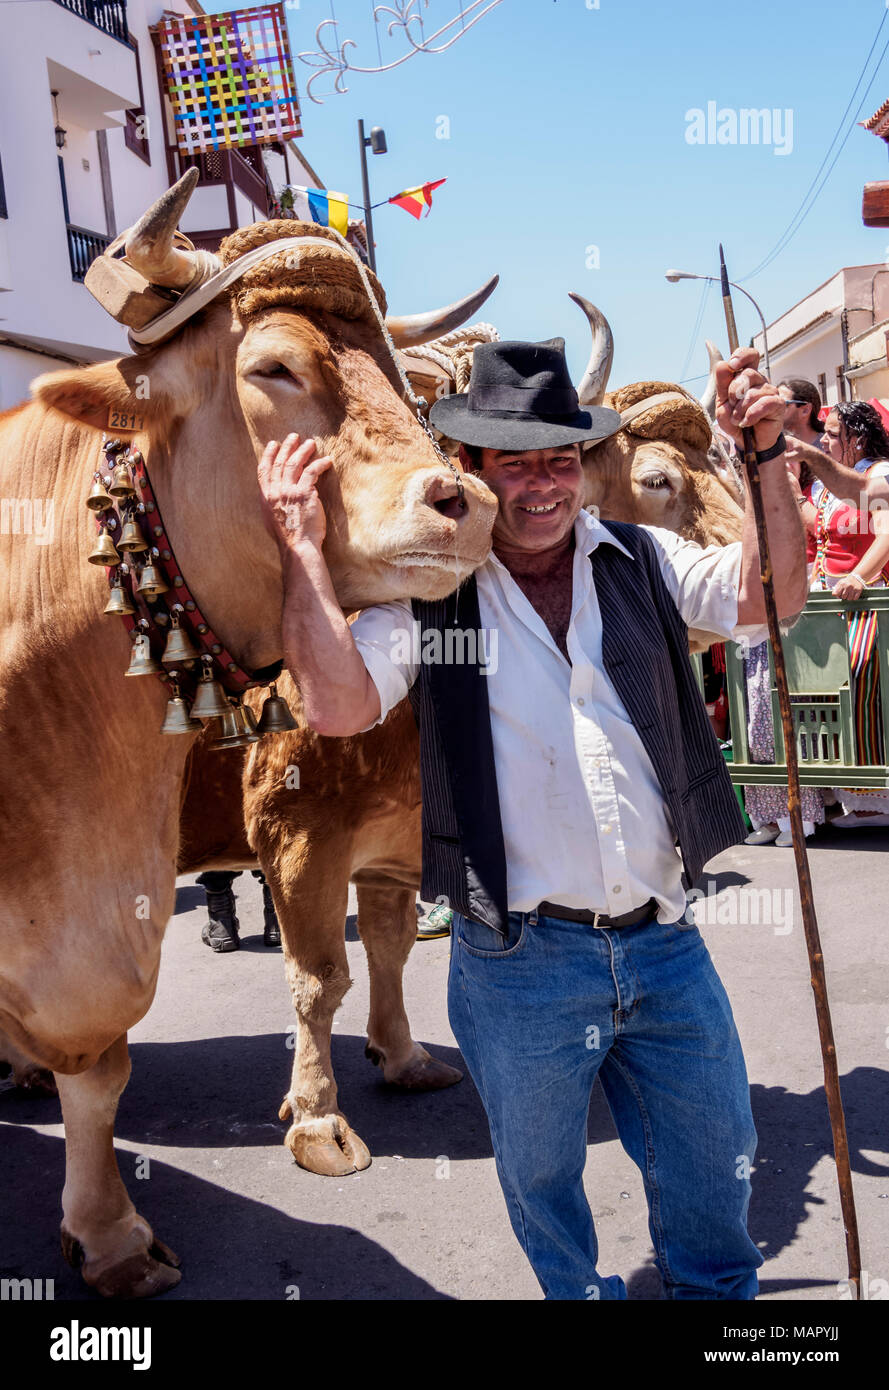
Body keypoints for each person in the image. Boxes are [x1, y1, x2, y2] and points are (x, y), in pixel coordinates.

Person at [256, 337, 807, 1300]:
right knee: (544, 1189)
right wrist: (302, 549)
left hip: (666, 945)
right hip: (519, 960)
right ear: (470, 471)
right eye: (517, 464)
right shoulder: (437, 597)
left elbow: (774, 597)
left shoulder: (640, 558)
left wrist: (763, 456)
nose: (544, 486)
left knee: (716, 1175)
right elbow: (339, 705)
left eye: (561, 459)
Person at [785, 400, 889, 824]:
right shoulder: (826, 485)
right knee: (822, 687)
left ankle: (872, 799)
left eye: (831, 433)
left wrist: (862, 578)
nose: (823, 440)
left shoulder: (878, 473)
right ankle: (841, 792)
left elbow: (886, 533)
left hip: (870, 600)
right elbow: (819, 531)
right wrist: (790, 489)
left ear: (857, 437)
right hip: (830, 602)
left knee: (860, 678)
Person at [742, 377, 827, 846]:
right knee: (754, 718)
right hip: (755, 613)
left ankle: (802, 815)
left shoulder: (792, 484)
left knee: (783, 715)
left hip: (791, 610)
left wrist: (787, 488)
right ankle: (768, 815)